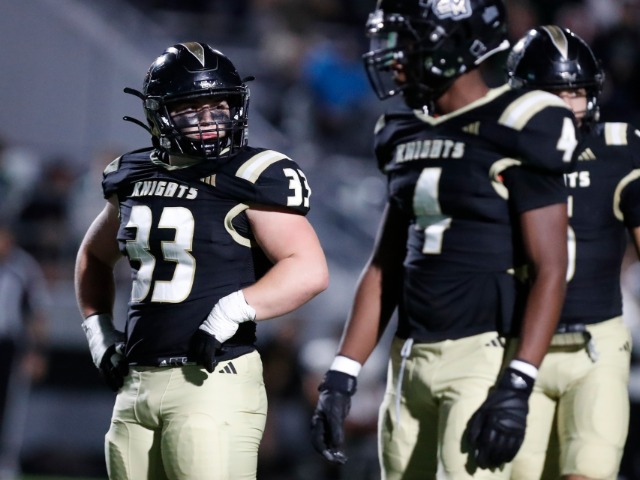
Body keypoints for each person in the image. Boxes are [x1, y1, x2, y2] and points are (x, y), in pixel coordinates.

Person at [309, 0, 581, 477]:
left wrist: (519, 381)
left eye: (405, 41)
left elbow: (550, 268)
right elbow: (385, 266)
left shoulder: (522, 121)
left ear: (456, 44)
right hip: (407, 359)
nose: (393, 57)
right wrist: (342, 374)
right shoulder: (401, 131)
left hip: (482, 354)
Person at [74, 42, 329, 480]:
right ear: (159, 113)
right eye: (192, 109)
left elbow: (308, 268)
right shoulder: (132, 174)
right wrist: (98, 330)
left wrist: (232, 310)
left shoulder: (253, 172)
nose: (209, 120)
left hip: (211, 378)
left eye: (219, 106)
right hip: (136, 382)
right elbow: (94, 257)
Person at [506, 25, 640, 480]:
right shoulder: (498, 155)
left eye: (577, 92)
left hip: (596, 345)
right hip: (516, 346)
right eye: (554, 93)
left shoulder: (620, 149)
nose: (568, 105)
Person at [0, 221, 49, 479]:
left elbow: (37, 313)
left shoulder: (23, 268)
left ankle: (6, 461)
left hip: (9, 345)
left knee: (10, 406)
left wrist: (37, 351)